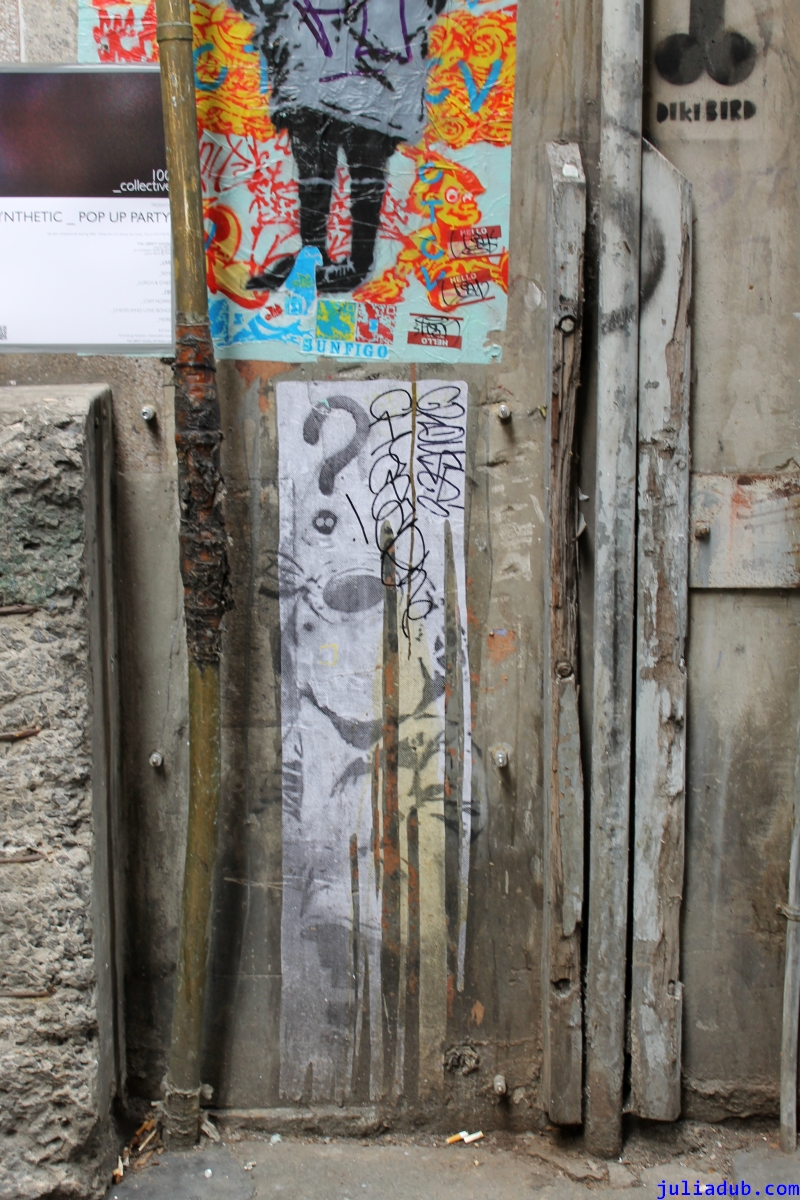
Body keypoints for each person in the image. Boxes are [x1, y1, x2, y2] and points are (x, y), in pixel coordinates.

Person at [229, 0, 448, 294]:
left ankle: (357, 263)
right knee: (314, 167)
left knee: (364, 163)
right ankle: (313, 256)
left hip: (365, 68)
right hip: (309, 64)